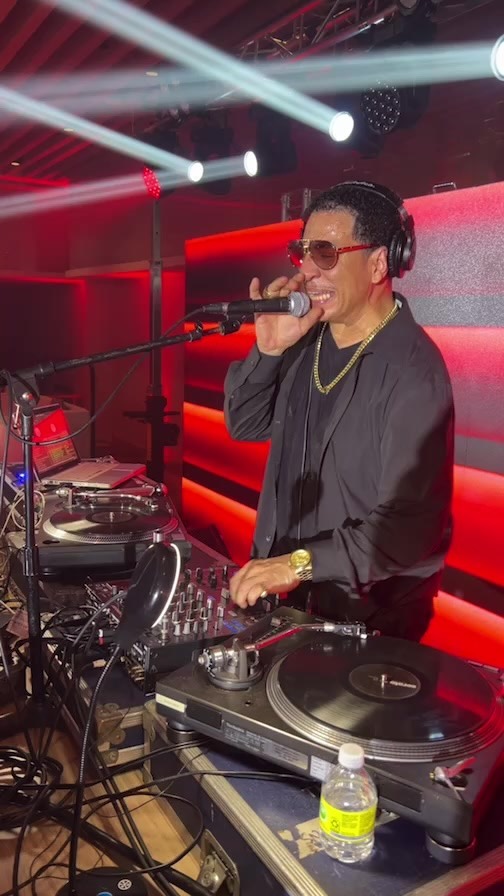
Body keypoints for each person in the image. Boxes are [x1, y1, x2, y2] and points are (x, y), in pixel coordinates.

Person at [224, 181, 454, 641]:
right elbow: (243, 424)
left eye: (325, 254)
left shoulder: (414, 372)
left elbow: (407, 528)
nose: (308, 271)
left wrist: (298, 565)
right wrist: (268, 351)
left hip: (368, 623)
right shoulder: (302, 338)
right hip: (290, 601)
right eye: (302, 252)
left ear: (378, 264)